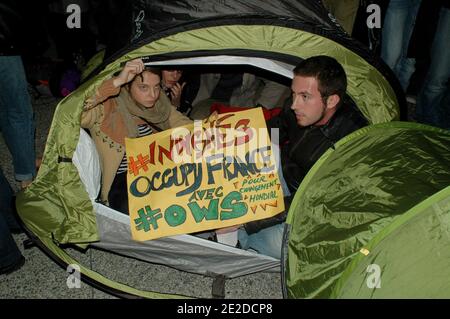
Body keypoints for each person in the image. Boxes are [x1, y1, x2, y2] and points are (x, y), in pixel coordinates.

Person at [235, 56, 368, 259]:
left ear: (331, 100)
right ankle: (237, 233)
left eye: (305, 96)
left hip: (310, 207)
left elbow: (312, 201)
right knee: (243, 154)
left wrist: (249, 219)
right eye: (293, 93)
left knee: (278, 244)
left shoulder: (349, 143)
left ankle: (235, 237)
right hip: (288, 175)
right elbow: (278, 128)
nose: (294, 104)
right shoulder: (299, 108)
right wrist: (235, 140)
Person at [81, 59, 192, 214]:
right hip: (122, 181)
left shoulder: (160, 105)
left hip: (157, 173)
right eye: (143, 88)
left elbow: (184, 124)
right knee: (142, 208)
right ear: (127, 86)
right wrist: (116, 82)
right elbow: (77, 112)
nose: (152, 95)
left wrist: (213, 128)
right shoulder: (107, 107)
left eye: (156, 87)